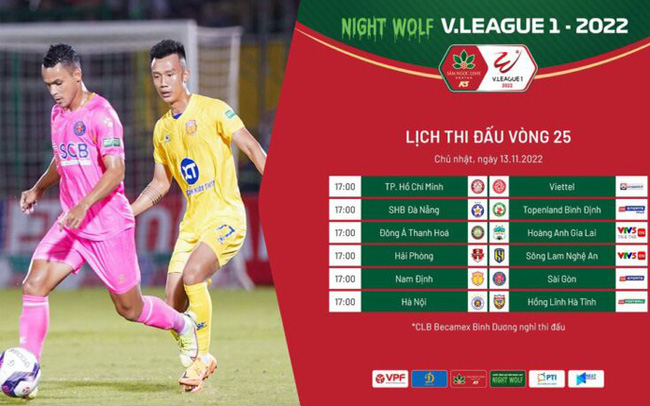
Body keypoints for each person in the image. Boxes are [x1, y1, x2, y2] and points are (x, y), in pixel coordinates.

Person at [19, 44, 199, 387]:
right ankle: (28, 368)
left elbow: (116, 172)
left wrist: (84, 205)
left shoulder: (102, 115)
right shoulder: (58, 114)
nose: (53, 91)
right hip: (72, 226)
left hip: (106, 225)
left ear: (77, 75)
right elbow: (62, 157)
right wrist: (39, 188)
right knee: (34, 285)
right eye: (48, 85)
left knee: (130, 308)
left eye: (58, 83)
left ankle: (183, 324)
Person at [130, 39, 266, 392]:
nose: (163, 83)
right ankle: (199, 353)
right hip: (192, 225)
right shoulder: (162, 130)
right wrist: (129, 212)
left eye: (170, 74)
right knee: (173, 305)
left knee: (192, 276)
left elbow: (251, 146)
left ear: (185, 74)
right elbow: (160, 184)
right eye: (157, 76)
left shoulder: (214, 109)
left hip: (226, 216)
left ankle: (201, 359)